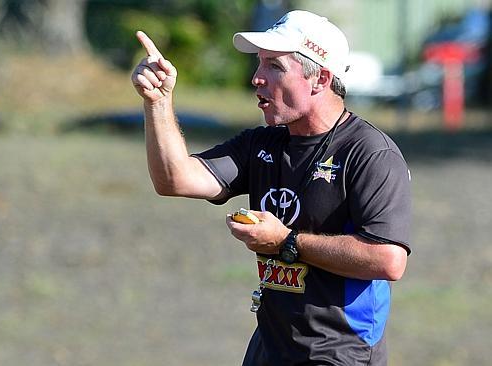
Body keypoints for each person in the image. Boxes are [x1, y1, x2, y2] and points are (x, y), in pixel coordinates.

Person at [131, 9, 411, 366]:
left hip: (339, 353)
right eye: (260, 64)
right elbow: (174, 179)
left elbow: (389, 260)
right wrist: (157, 103)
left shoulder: (370, 153)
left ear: (320, 79)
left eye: (274, 67)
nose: (256, 78)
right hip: (269, 347)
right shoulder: (260, 144)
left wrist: (286, 241)